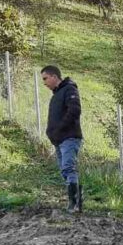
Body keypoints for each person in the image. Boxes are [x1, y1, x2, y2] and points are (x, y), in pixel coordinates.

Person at [41, 65, 83, 213]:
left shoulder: (69, 90)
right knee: (64, 171)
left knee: (68, 168)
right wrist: (51, 132)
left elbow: (75, 110)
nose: (44, 82)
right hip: (59, 139)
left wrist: (59, 129)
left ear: (54, 76)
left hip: (69, 137)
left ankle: (75, 204)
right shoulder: (56, 95)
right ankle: (75, 201)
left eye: (45, 78)